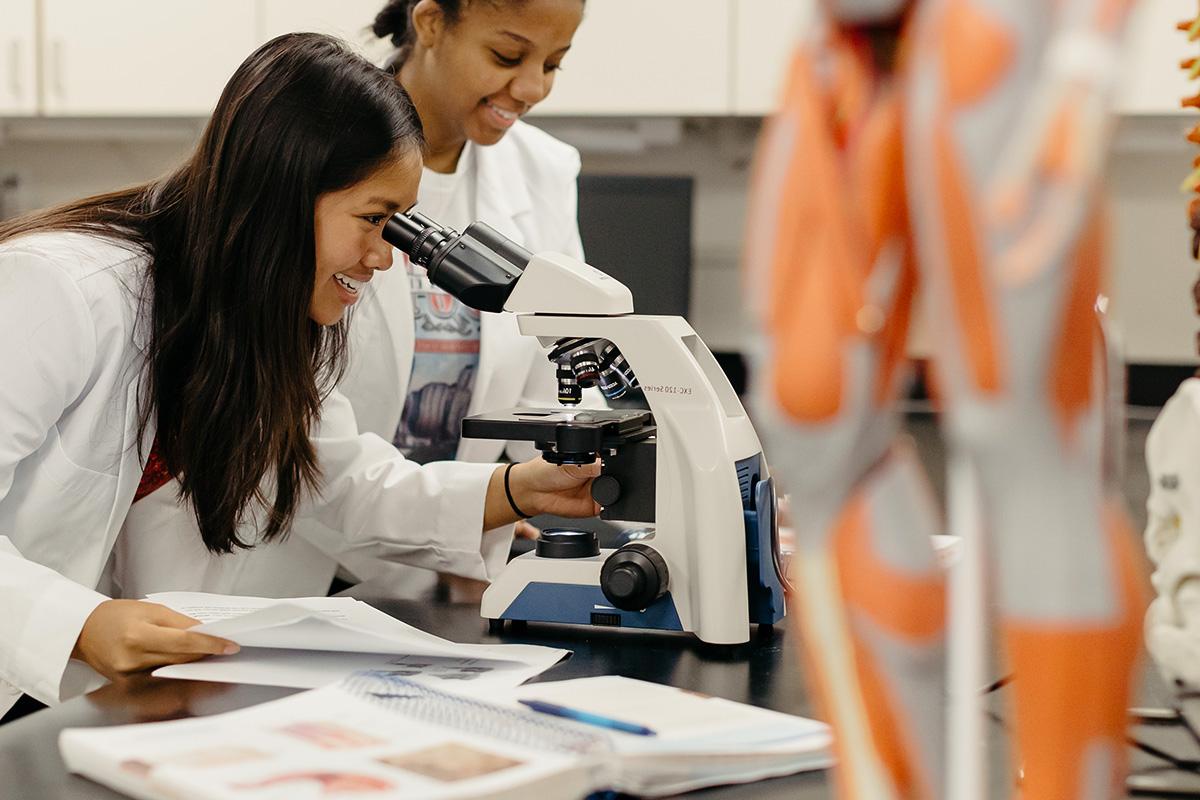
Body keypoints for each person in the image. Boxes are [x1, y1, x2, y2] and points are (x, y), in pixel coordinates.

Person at [0, 32, 598, 722]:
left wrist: (517, 490)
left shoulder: (266, 317)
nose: (385, 260)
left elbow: (333, 483)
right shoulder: (62, 290)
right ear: (281, 196)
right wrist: (76, 622)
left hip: (77, 696)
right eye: (375, 221)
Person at [122, 0, 594, 602]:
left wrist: (529, 489)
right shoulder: (315, 143)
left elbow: (555, 364)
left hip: (428, 573)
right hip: (280, 561)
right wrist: (486, 504)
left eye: (554, 64)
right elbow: (323, 466)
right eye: (506, 55)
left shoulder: (546, 172)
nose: (532, 86)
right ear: (429, 23)